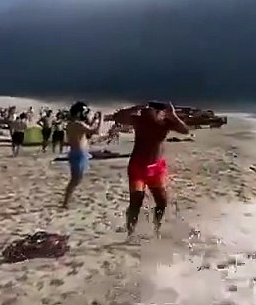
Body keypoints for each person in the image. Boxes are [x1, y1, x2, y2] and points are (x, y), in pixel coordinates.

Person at [110, 101, 189, 238]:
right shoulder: (139, 120)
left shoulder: (165, 123)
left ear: (159, 112)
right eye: (146, 110)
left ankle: (156, 227)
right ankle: (130, 232)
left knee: (162, 202)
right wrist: (133, 108)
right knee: (136, 201)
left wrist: (173, 115)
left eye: (151, 110)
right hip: (137, 167)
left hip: (156, 168)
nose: (147, 112)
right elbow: (117, 117)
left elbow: (185, 130)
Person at [61, 102, 103, 209]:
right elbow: (95, 131)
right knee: (75, 179)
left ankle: (66, 201)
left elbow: (86, 132)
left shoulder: (72, 124)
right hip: (79, 153)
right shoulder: (78, 124)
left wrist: (93, 120)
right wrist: (100, 119)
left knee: (76, 179)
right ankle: (65, 202)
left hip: (76, 152)